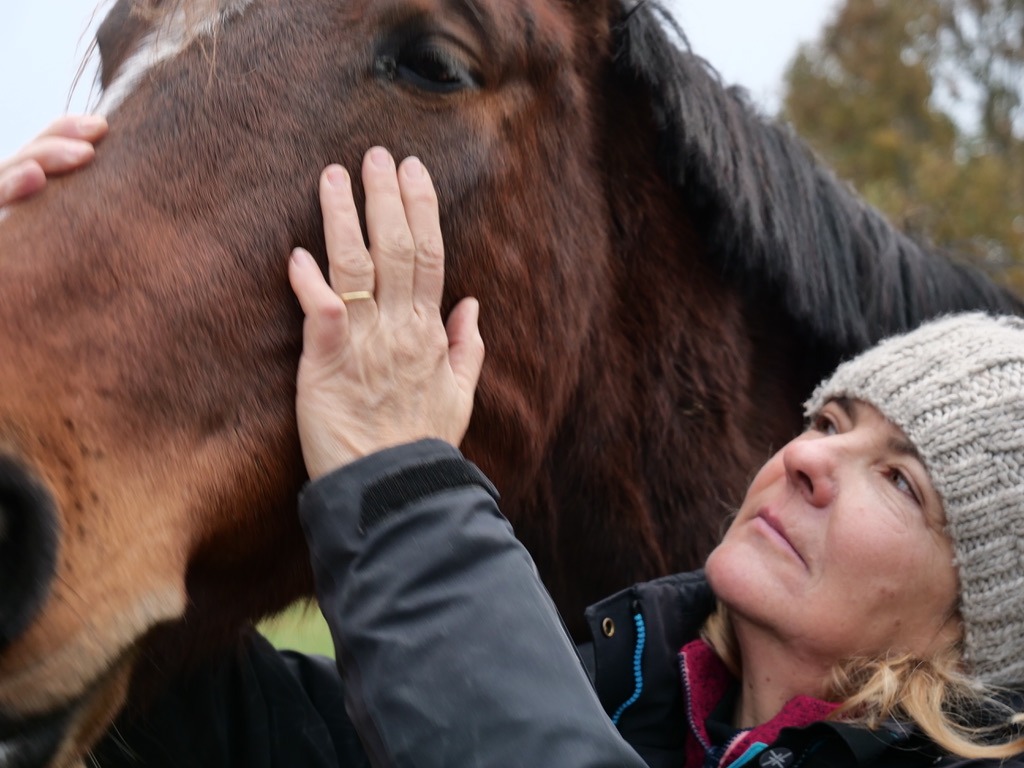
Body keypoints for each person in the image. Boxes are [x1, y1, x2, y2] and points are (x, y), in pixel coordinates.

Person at [3, 123, 1024, 768]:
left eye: (898, 481)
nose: (805, 460)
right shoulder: (634, 698)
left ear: (974, 625)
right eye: (828, 424)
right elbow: (248, 729)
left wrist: (398, 488)